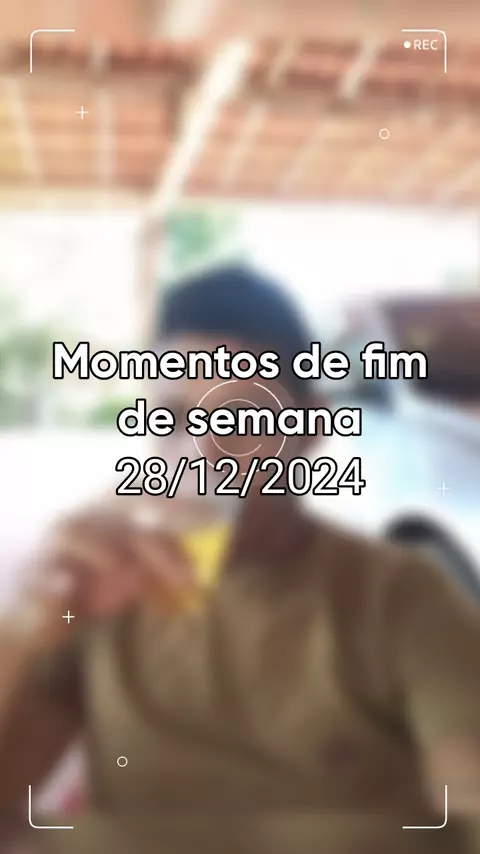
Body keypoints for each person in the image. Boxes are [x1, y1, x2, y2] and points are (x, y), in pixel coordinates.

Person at [0, 264, 480, 854]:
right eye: (172, 420)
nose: (202, 456)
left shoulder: (398, 598)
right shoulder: (95, 593)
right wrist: (22, 625)